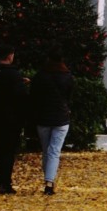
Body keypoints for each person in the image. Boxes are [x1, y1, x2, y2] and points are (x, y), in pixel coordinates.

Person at [29, 51, 74, 196]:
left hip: (43, 117)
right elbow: (69, 96)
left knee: (46, 150)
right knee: (54, 151)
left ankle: (48, 179)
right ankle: (49, 182)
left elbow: (33, 96)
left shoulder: (40, 76)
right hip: (61, 117)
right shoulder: (67, 76)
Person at [0, 47, 28, 194]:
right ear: (10, 56)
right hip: (12, 118)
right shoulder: (14, 75)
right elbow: (20, 97)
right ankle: (5, 182)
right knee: (8, 151)